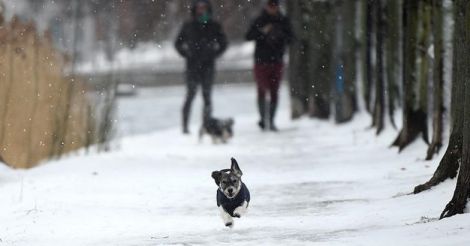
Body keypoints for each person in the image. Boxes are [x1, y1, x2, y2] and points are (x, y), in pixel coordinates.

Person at [175, 0, 228, 134]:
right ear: (194, 9)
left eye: (204, 7)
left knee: (207, 97)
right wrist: (186, 54)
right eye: (199, 7)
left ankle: (206, 125)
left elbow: (224, 43)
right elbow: (178, 43)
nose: (201, 10)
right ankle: (185, 127)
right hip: (192, 66)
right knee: (190, 95)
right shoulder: (188, 25)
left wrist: (214, 54)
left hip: (208, 66)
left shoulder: (214, 25)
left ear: (208, 8)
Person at [246, 0, 294, 131]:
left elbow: (291, 38)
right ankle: (263, 118)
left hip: (277, 60)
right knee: (262, 88)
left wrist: (280, 34)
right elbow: (249, 36)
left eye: (275, 5)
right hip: (261, 61)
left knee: (274, 91)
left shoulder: (283, 21)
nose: (272, 8)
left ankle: (271, 120)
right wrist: (262, 32)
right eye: (270, 5)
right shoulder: (259, 20)